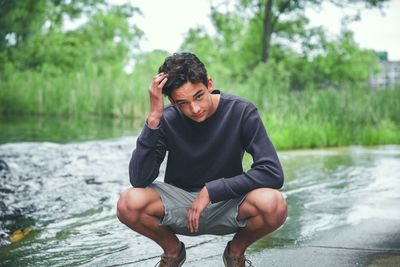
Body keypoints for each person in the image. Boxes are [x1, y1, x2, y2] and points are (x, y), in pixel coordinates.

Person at [117, 52, 288, 267]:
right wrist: (153, 119)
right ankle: (172, 252)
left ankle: (235, 253)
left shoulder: (241, 111)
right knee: (128, 203)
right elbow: (139, 179)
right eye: (182, 103)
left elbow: (272, 172)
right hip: (181, 206)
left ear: (209, 84)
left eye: (198, 96)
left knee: (274, 204)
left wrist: (213, 190)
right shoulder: (166, 118)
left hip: (228, 203)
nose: (194, 109)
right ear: (172, 101)